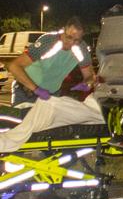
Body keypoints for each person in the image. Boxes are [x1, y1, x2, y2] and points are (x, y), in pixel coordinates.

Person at [1, 17, 103, 153]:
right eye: (69, 37)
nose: (71, 43)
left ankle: (50, 170)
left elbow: (90, 76)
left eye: (76, 40)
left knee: (50, 139)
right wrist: (36, 89)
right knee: (22, 135)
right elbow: (14, 66)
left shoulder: (81, 49)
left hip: (50, 97)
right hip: (26, 92)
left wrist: (86, 84)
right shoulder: (48, 42)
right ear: (63, 31)